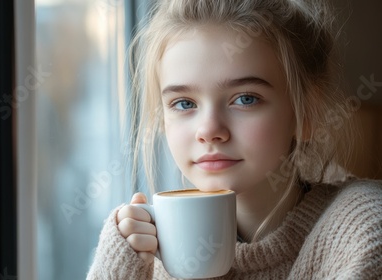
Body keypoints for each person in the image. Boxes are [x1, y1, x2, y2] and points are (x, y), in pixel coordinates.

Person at [87, 0, 382, 278]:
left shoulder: (364, 230)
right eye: (184, 104)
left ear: (307, 113)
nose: (209, 130)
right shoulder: (151, 257)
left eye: (245, 98)